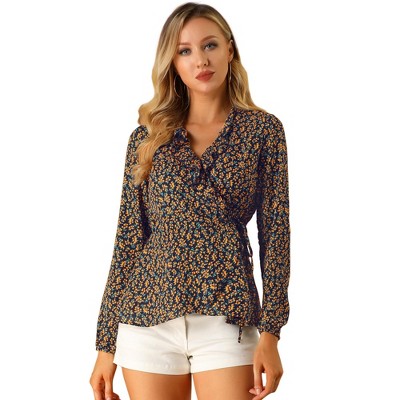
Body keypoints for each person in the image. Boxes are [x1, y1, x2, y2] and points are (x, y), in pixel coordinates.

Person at [89, 2, 290, 400]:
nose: (201, 59)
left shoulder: (263, 131)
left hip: (227, 318)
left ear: (229, 49)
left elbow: (276, 234)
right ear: (173, 63)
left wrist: (271, 331)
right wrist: (106, 344)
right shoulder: (147, 138)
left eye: (209, 45)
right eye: (185, 51)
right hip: (146, 319)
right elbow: (128, 241)